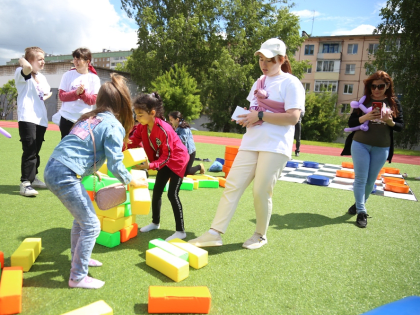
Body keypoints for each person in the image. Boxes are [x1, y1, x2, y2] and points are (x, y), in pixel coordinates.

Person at [188, 38, 305, 250]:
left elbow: (293, 118)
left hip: (275, 145)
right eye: (261, 58)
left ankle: (260, 235)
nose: (264, 64)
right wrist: (245, 117)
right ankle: (215, 233)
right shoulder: (258, 82)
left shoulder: (291, 83)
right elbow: (253, 112)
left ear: (282, 59)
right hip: (251, 141)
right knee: (232, 185)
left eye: (269, 59)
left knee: (260, 191)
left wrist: (259, 114)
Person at [44, 74, 145, 289]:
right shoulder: (114, 125)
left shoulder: (89, 118)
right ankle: (78, 277)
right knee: (91, 225)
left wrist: (92, 170)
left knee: (81, 219)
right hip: (65, 173)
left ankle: (79, 258)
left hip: (54, 166)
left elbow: (79, 148)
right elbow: (117, 164)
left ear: (100, 101)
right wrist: (130, 181)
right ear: (122, 104)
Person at [341, 70, 404, 228]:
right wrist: (365, 117)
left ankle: (358, 204)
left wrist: (389, 121)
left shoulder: (394, 103)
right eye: (372, 86)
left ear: (387, 86)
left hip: (382, 147)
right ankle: (361, 212)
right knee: (361, 179)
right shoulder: (364, 101)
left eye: (380, 86)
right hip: (360, 144)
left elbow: (400, 127)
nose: (376, 89)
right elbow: (351, 122)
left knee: (370, 181)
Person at [128, 93, 190, 241]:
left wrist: (150, 165)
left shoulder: (164, 129)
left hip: (177, 160)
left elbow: (167, 155)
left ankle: (181, 231)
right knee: (156, 192)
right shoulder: (142, 127)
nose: (137, 118)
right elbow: (133, 141)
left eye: (140, 115)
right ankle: (155, 223)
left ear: (152, 113)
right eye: (136, 114)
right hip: (164, 160)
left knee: (172, 194)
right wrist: (120, 147)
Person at [15, 47, 52, 197]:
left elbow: (46, 93)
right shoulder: (21, 73)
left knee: (36, 151)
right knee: (29, 150)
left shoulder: (42, 77)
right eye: (39, 59)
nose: (43, 62)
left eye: (44, 59)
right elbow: (27, 68)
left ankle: (33, 178)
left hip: (41, 119)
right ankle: (25, 183)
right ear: (30, 60)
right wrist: (21, 58)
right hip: (27, 117)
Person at [57, 47, 101, 139]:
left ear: (87, 61)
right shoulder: (67, 75)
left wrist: (83, 94)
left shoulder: (94, 78)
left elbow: (93, 100)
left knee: (81, 147)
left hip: (84, 119)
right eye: (74, 59)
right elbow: (61, 96)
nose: (75, 62)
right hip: (67, 117)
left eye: (79, 59)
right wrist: (75, 93)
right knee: (66, 146)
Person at [168, 111, 204, 175]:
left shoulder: (184, 127)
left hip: (190, 152)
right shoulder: (175, 126)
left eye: (171, 120)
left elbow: (182, 140)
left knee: (187, 172)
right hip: (182, 153)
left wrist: (172, 136)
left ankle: (200, 167)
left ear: (177, 119)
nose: (170, 122)